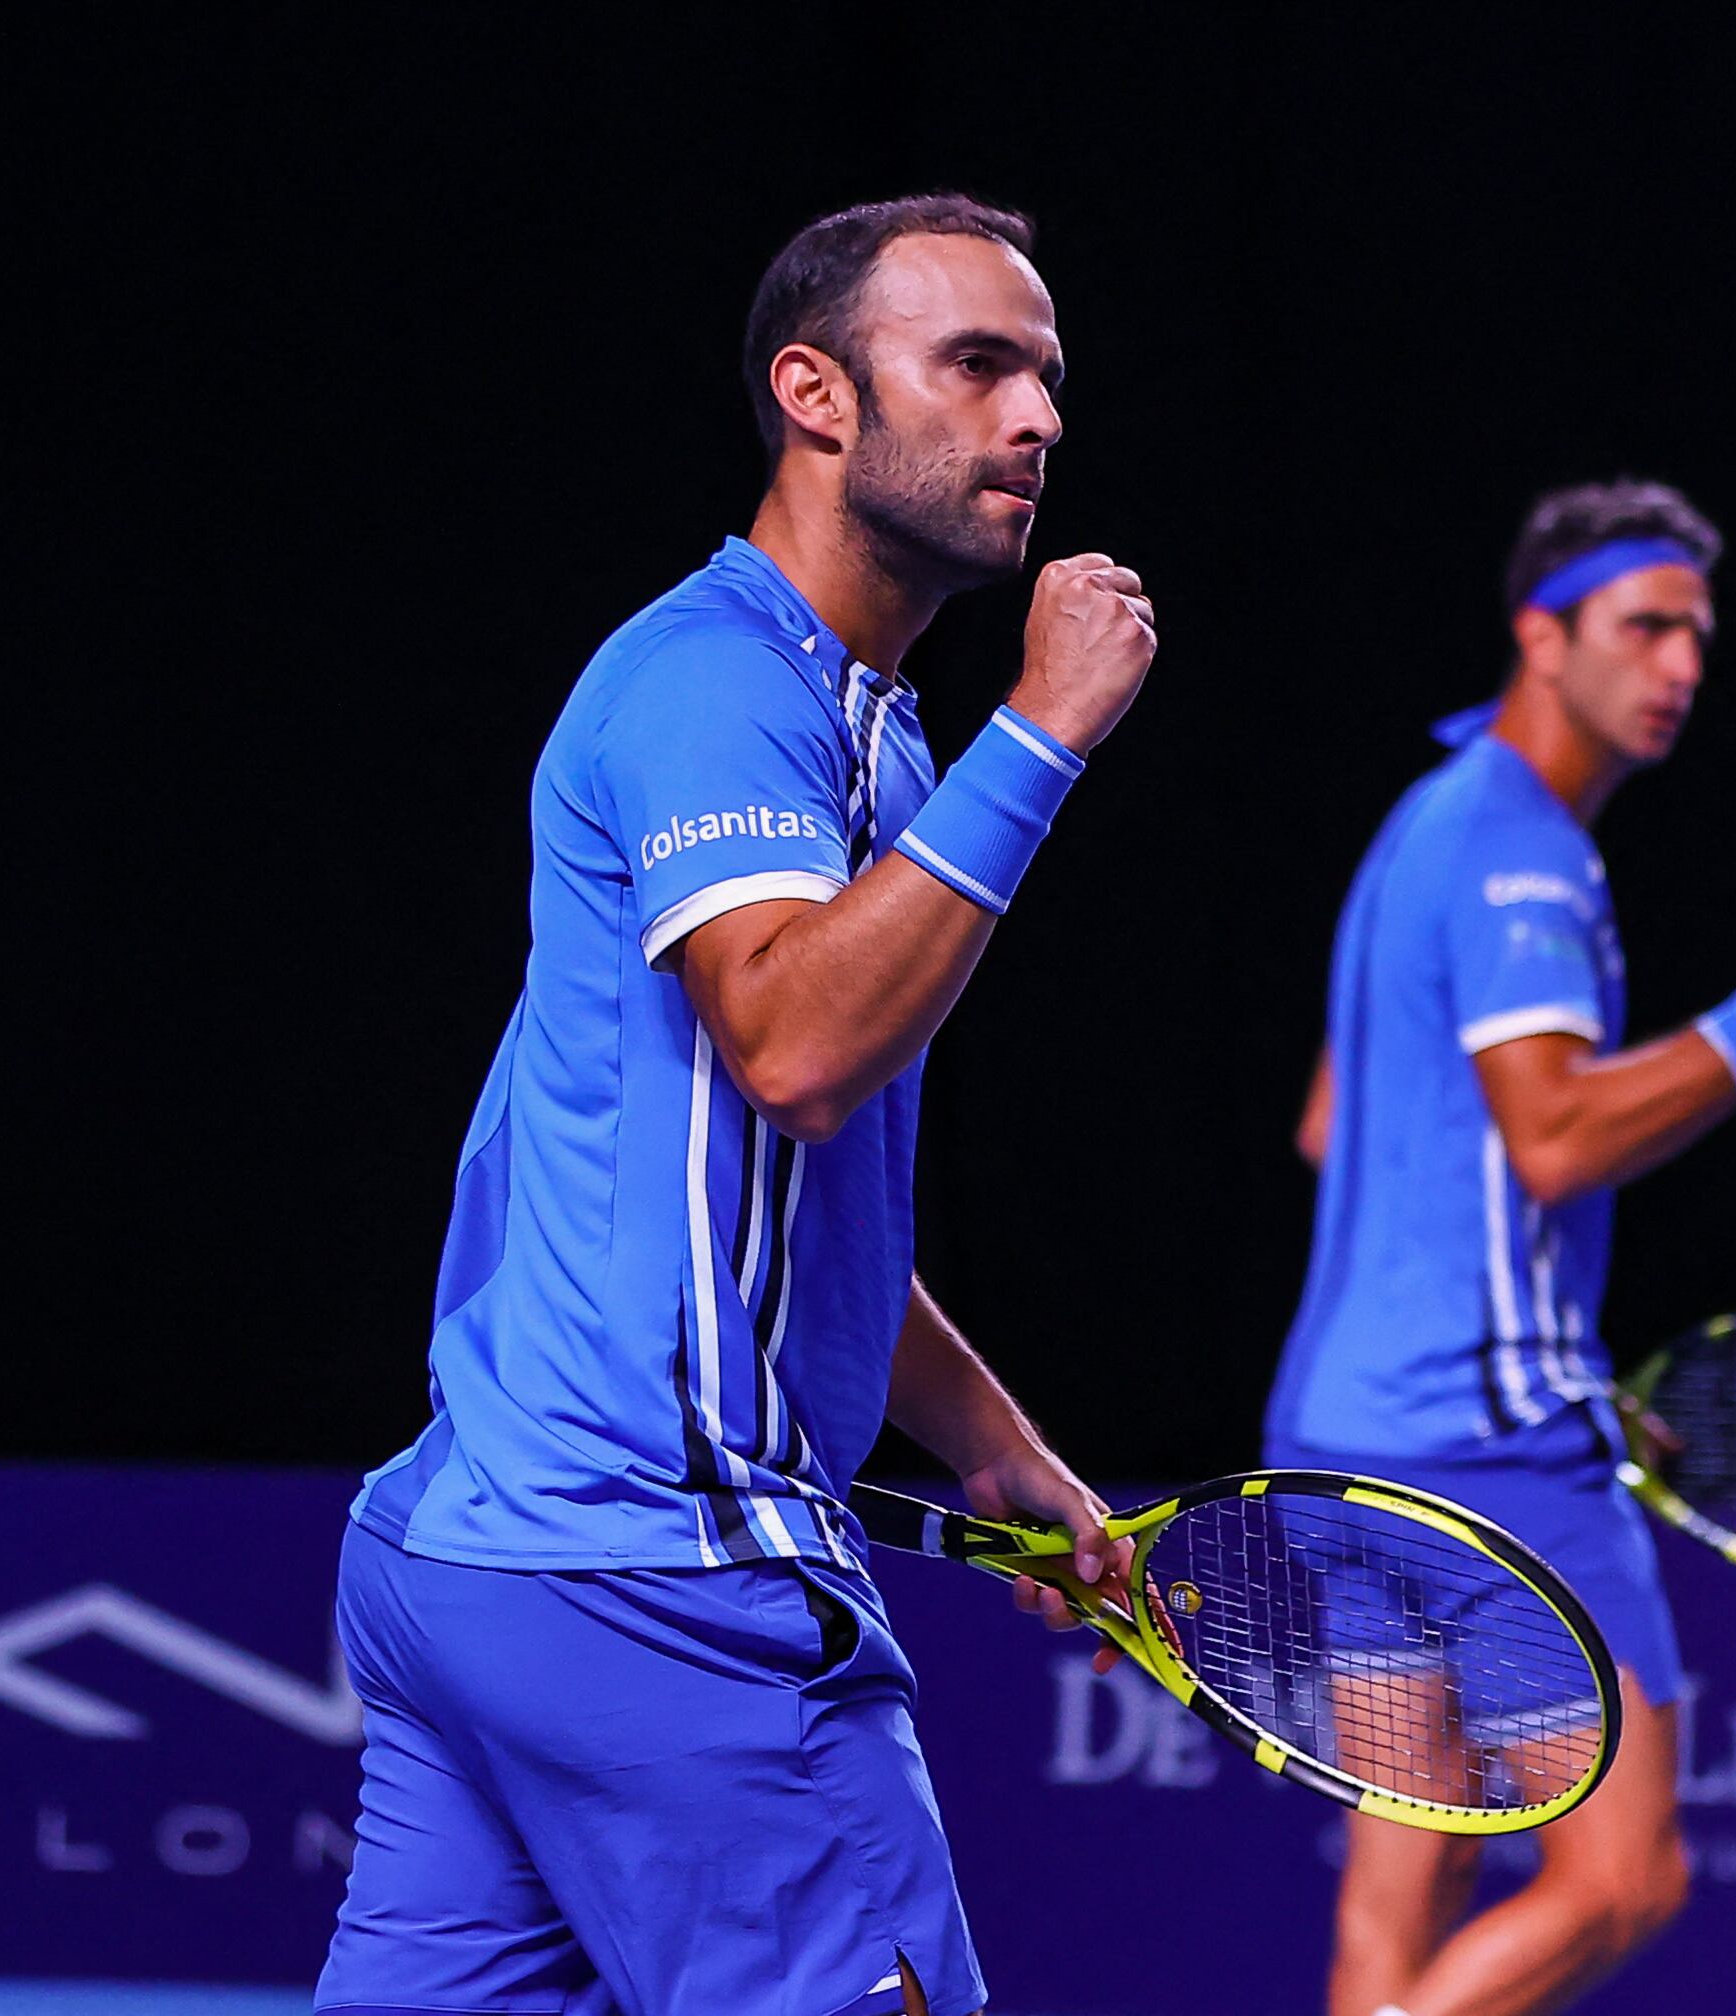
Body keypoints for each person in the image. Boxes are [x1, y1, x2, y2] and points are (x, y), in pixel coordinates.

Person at [316, 195, 1156, 2016]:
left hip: (475, 1555)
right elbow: (790, 1044)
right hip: (656, 1570)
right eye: (980, 365)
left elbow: (779, 1165)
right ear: (817, 394)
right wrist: (1049, 735)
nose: (1039, 420)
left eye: (1052, 380)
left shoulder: (872, 732)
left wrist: (996, 1442)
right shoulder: (716, 687)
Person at [1264, 479, 1736, 2016]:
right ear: (1542, 637)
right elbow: (1549, 1138)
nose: (1680, 664)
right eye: (1645, 626)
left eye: (1697, 633)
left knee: (1403, 1894)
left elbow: (1335, 1126)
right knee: (1624, 1877)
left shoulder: (1427, 820)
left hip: (1342, 1436)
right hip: (1487, 1455)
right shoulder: (1523, 849)